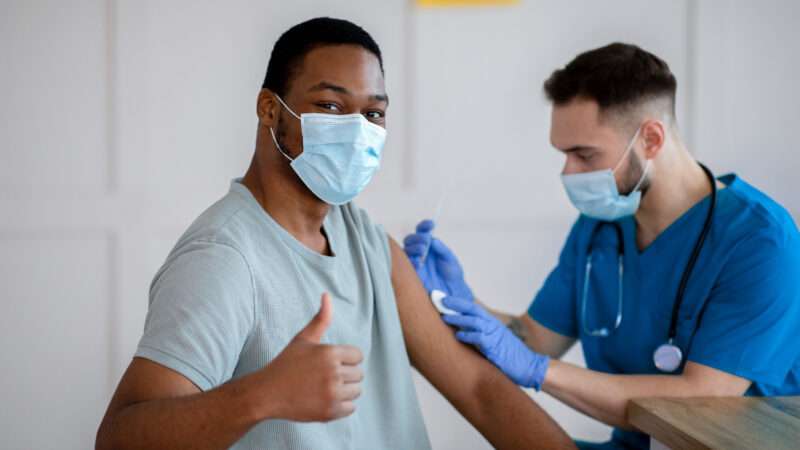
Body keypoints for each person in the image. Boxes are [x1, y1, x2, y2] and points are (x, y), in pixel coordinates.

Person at [95, 17, 575, 450]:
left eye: (373, 114)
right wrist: (260, 396)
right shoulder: (223, 259)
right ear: (269, 110)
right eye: (329, 105)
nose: (356, 130)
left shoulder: (364, 239)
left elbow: (479, 390)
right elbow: (118, 438)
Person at [404, 42, 800, 450]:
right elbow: (531, 340)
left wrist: (540, 371)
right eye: (564, 154)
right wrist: (455, 301)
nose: (568, 172)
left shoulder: (761, 242)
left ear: (650, 138)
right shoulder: (599, 228)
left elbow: (706, 399)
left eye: (584, 154)